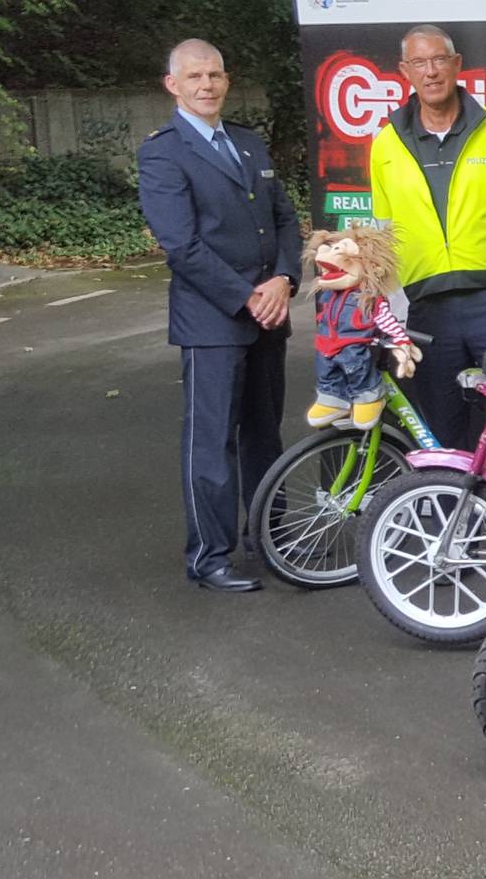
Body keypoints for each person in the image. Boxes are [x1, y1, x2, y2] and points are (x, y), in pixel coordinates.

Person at [136, 38, 301, 594]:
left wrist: (284, 279)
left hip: (269, 314)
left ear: (227, 80)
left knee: (264, 434)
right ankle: (209, 556)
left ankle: (270, 537)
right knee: (211, 442)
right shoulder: (163, 153)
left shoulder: (249, 143)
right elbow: (181, 246)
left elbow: (284, 220)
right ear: (173, 85)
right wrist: (249, 296)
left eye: (215, 75)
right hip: (214, 320)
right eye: (195, 76)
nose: (207, 85)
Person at [367, 24, 486, 452]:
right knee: (443, 430)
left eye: (439, 59)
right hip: (429, 310)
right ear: (404, 71)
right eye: (419, 62)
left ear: (456, 64)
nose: (430, 71)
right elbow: (383, 230)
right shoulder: (386, 144)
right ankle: (453, 499)